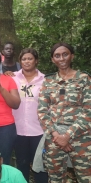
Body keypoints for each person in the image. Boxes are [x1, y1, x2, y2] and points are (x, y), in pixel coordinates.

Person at [38, 42, 91, 182]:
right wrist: (57, 136)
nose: (61, 58)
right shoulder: (48, 81)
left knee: (86, 178)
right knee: (55, 179)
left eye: (65, 54)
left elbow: (89, 110)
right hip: (55, 138)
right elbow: (42, 112)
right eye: (57, 56)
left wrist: (68, 135)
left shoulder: (84, 79)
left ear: (72, 56)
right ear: (52, 59)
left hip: (81, 137)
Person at [11, 48, 48, 182]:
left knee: (40, 165)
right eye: (24, 59)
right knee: (22, 164)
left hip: (38, 129)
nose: (27, 61)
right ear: (20, 61)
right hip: (17, 129)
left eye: (30, 58)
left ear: (36, 61)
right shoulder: (12, 78)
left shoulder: (45, 80)